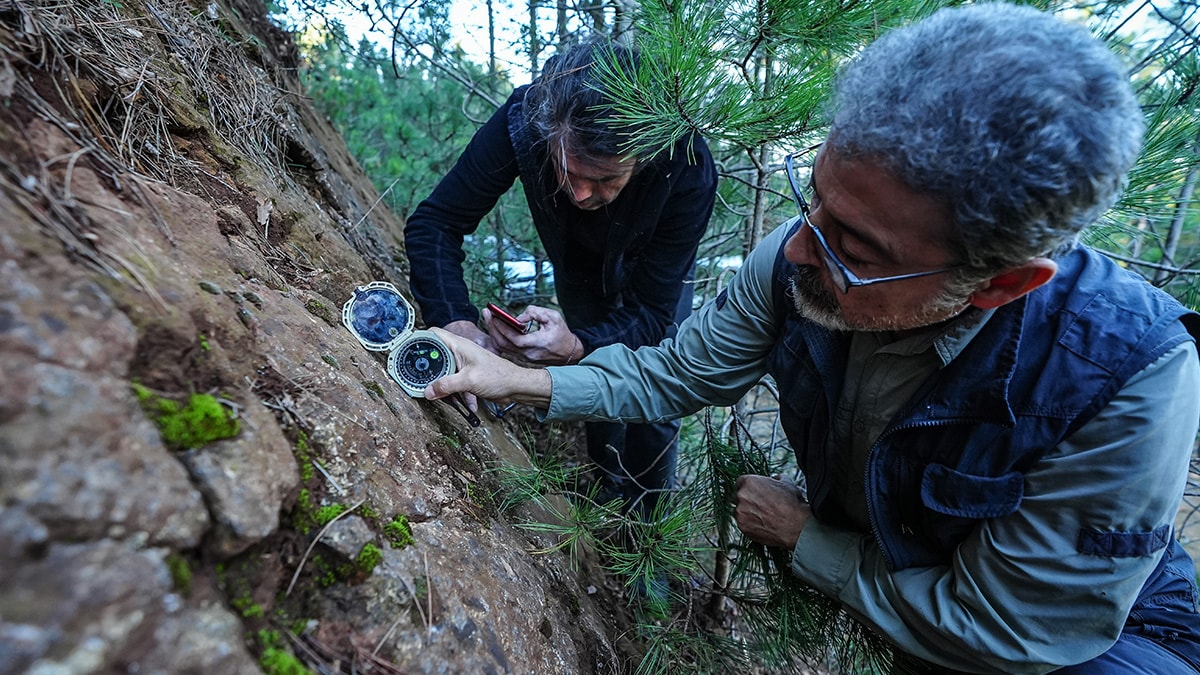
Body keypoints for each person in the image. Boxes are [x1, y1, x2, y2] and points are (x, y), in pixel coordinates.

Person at [422, 4, 1200, 673]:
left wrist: (810, 540)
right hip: (909, 597)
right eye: (815, 199)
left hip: (1101, 644)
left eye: (856, 250)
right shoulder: (808, 251)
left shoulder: (1128, 380)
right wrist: (510, 376)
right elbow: (675, 371)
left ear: (999, 285)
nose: (798, 248)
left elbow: (1014, 629)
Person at [404, 37, 717, 517]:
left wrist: (575, 346)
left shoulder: (687, 163)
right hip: (580, 268)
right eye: (569, 169)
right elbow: (437, 224)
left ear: (646, 154)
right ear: (550, 130)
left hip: (656, 280)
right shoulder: (526, 120)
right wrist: (456, 322)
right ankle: (603, 492)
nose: (580, 192)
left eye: (607, 179)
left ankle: (646, 528)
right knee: (593, 380)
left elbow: (652, 313)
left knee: (656, 399)